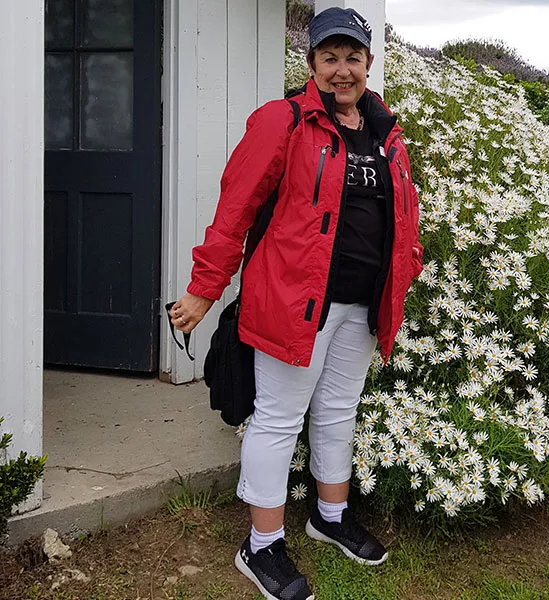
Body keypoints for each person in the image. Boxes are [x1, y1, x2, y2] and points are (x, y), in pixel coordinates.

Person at [168, 7, 423, 600]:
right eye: (329, 58)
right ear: (310, 63)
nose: (342, 70)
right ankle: (260, 546)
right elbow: (235, 209)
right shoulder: (282, 122)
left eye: (352, 58)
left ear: (368, 62)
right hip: (293, 304)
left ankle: (328, 516)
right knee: (279, 420)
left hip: (361, 307)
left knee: (338, 411)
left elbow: (400, 219)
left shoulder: (386, 133)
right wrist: (205, 289)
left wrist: (400, 282)